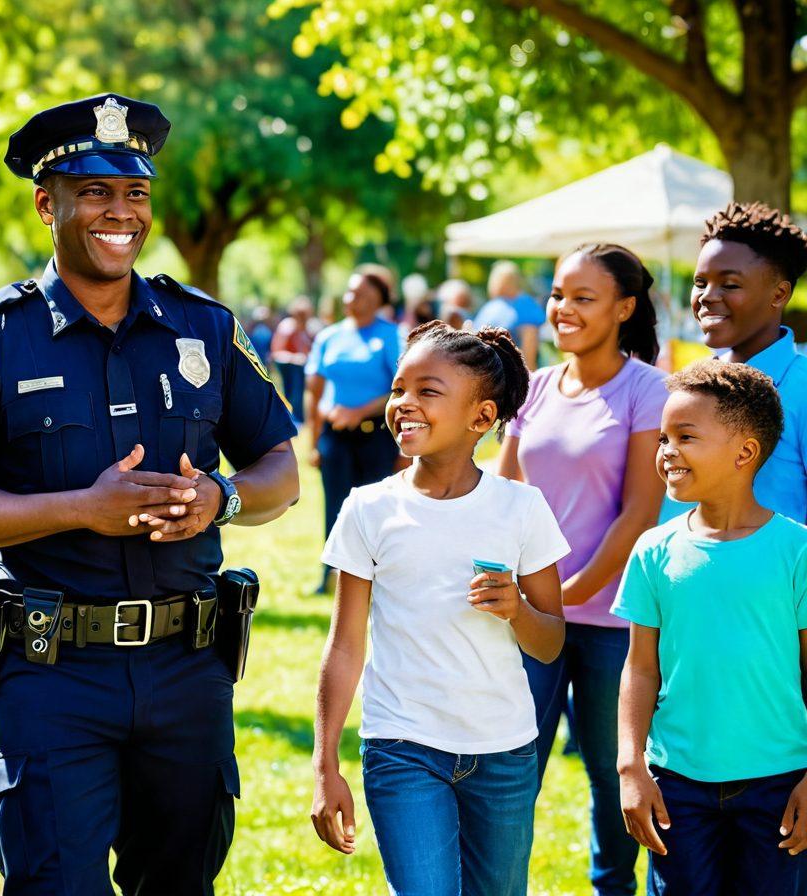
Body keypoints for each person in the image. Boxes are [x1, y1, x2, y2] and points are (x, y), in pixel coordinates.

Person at [0, 94, 300, 895]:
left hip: (188, 668)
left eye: (136, 194)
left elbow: (281, 471)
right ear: (49, 204)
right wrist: (82, 505)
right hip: (52, 674)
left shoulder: (204, 329)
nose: (121, 213)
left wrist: (221, 497)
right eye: (96, 192)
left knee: (180, 883)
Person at [311, 320, 569, 896]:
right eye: (399, 388)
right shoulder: (367, 509)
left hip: (503, 751)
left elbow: (551, 643)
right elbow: (345, 645)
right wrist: (324, 763)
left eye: (428, 391)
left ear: (482, 418)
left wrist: (517, 611)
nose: (403, 403)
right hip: (402, 747)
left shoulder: (522, 509)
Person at [498, 243, 667, 895]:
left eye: (582, 298)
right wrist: (524, 602)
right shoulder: (535, 388)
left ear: (625, 308)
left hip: (609, 626)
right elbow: (505, 492)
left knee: (612, 777)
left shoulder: (649, 391)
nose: (564, 309)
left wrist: (561, 598)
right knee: (511, 771)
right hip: (530, 621)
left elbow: (638, 515)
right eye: (558, 295)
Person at [615, 360, 807, 894]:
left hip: (780, 784)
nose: (667, 451)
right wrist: (631, 766)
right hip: (678, 785)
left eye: (686, 437)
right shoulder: (654, 550)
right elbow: (639, 667)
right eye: (663, 438)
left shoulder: (797, 551)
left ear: (745, 452)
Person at [683, 201, 807, 523]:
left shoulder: (802, 388)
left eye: (730, 284)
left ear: (779, 294)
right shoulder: (692, 384)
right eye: (700, 283)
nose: (707, 296)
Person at [305, 264, 403, 593]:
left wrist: (360, 411)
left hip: (375, 436)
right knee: (335, 505)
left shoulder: (391, 336)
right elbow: (314, 390)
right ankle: (329, 576)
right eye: (349, 291)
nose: (351, 298)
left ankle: (375, 578)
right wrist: (314, 440)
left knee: (374, 509)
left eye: (360, 293)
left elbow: (400, 388)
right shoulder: (329, 337)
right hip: (335, 436)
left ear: (379, 298)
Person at [473, 261, 544, 370]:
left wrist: (530, 377)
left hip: (511, 373)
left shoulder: (525, 305)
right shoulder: (494, 305)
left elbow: (529, 343)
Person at [270, 296, 315, 424]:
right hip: (287, 366)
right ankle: (292, 418)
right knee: (293, 388)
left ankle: (299, 417)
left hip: (299, 366)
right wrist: (295, 358)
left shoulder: (304, 329)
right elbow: (277, 353)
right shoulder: (287, 327)